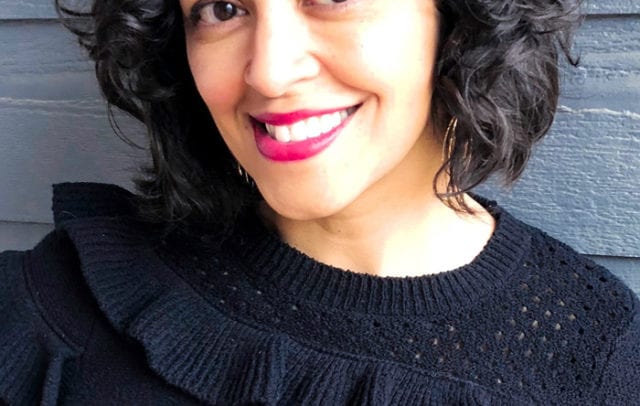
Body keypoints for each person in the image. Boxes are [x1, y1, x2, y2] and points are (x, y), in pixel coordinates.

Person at [1, 0, 638, 404]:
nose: (269, 71)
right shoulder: (53, 304)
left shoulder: (599, 361)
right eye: (222, 8)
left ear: (457, 22)